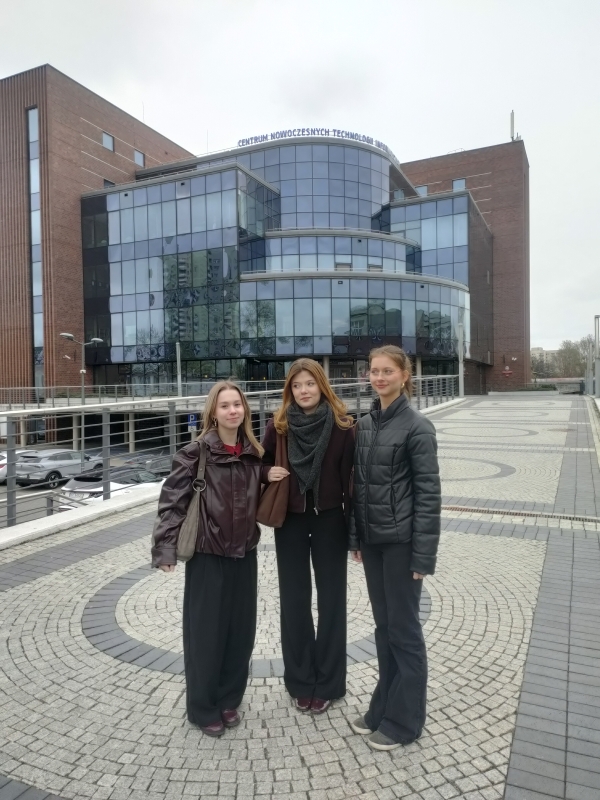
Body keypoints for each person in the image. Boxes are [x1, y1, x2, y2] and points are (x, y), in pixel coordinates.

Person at [151, 381, 264, 737]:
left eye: (237, 404)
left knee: (240, 633)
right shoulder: (195, 452)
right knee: (205, 635)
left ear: (245, 409)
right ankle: (202, 707)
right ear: (213, 412)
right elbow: (172, 502)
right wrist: (165, 548)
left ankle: (230, 698)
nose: (233, 411)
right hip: (207, 555)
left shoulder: (253, 453)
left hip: (245, 554)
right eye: (225, 405)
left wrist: (269, 475)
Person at [348, 345, 441, 751]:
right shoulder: (366, 424)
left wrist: (423, 556)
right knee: (384, 628)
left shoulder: (418, 428)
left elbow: (429, 496)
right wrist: (356, 538)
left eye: (388, 371)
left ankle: (405, 722)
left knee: (404, 632)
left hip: (402, 545)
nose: (380, 378)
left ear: (405, 375)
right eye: (374, 371)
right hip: (374, 544)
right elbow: (359, 486)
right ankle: (382, 707)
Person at [263, 359, 355, 714]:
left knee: (332, 602)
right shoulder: (279, 426)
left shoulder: (343, 426)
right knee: (294, 601)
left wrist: (355, 533)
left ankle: (329, 682)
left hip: (331, 520)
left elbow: (352, 483)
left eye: (310, 383)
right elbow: (260, 463)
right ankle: (301, 681)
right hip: (291, 521)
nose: (304, 390)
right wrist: (266, 472)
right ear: (290, 389)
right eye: (297, 385)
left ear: (322, 386)